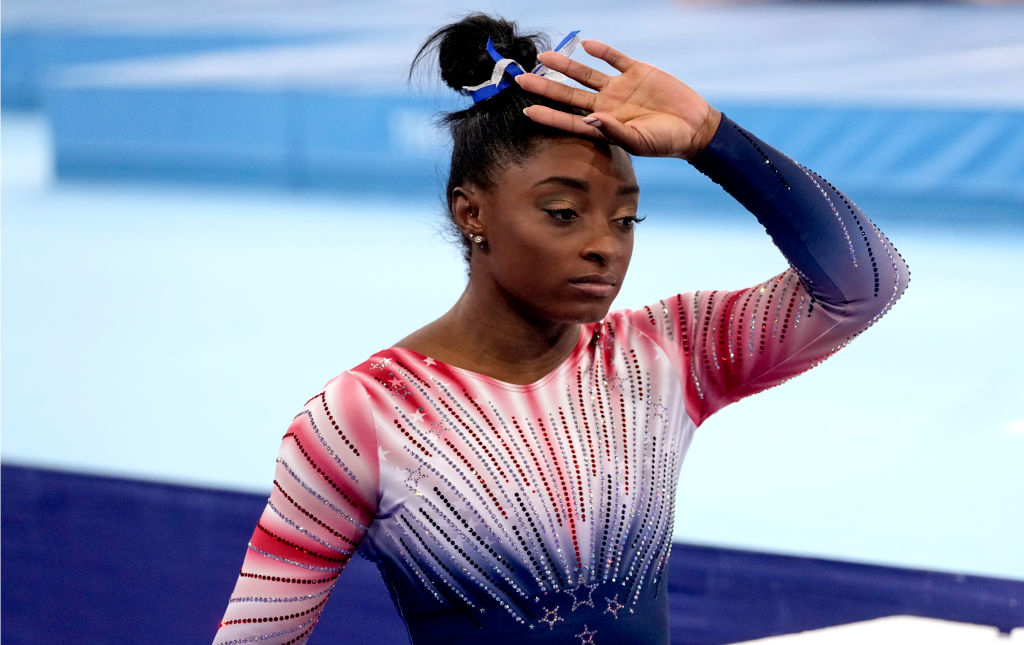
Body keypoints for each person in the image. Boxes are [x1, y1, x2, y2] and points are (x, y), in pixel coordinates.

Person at [213, 14, 909, 645]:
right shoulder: (361, 417)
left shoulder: (663, 352)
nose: (606, 244)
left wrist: (712, 139)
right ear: (471, 212)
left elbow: (867, 282)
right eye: (562, 212)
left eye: (625, 218)